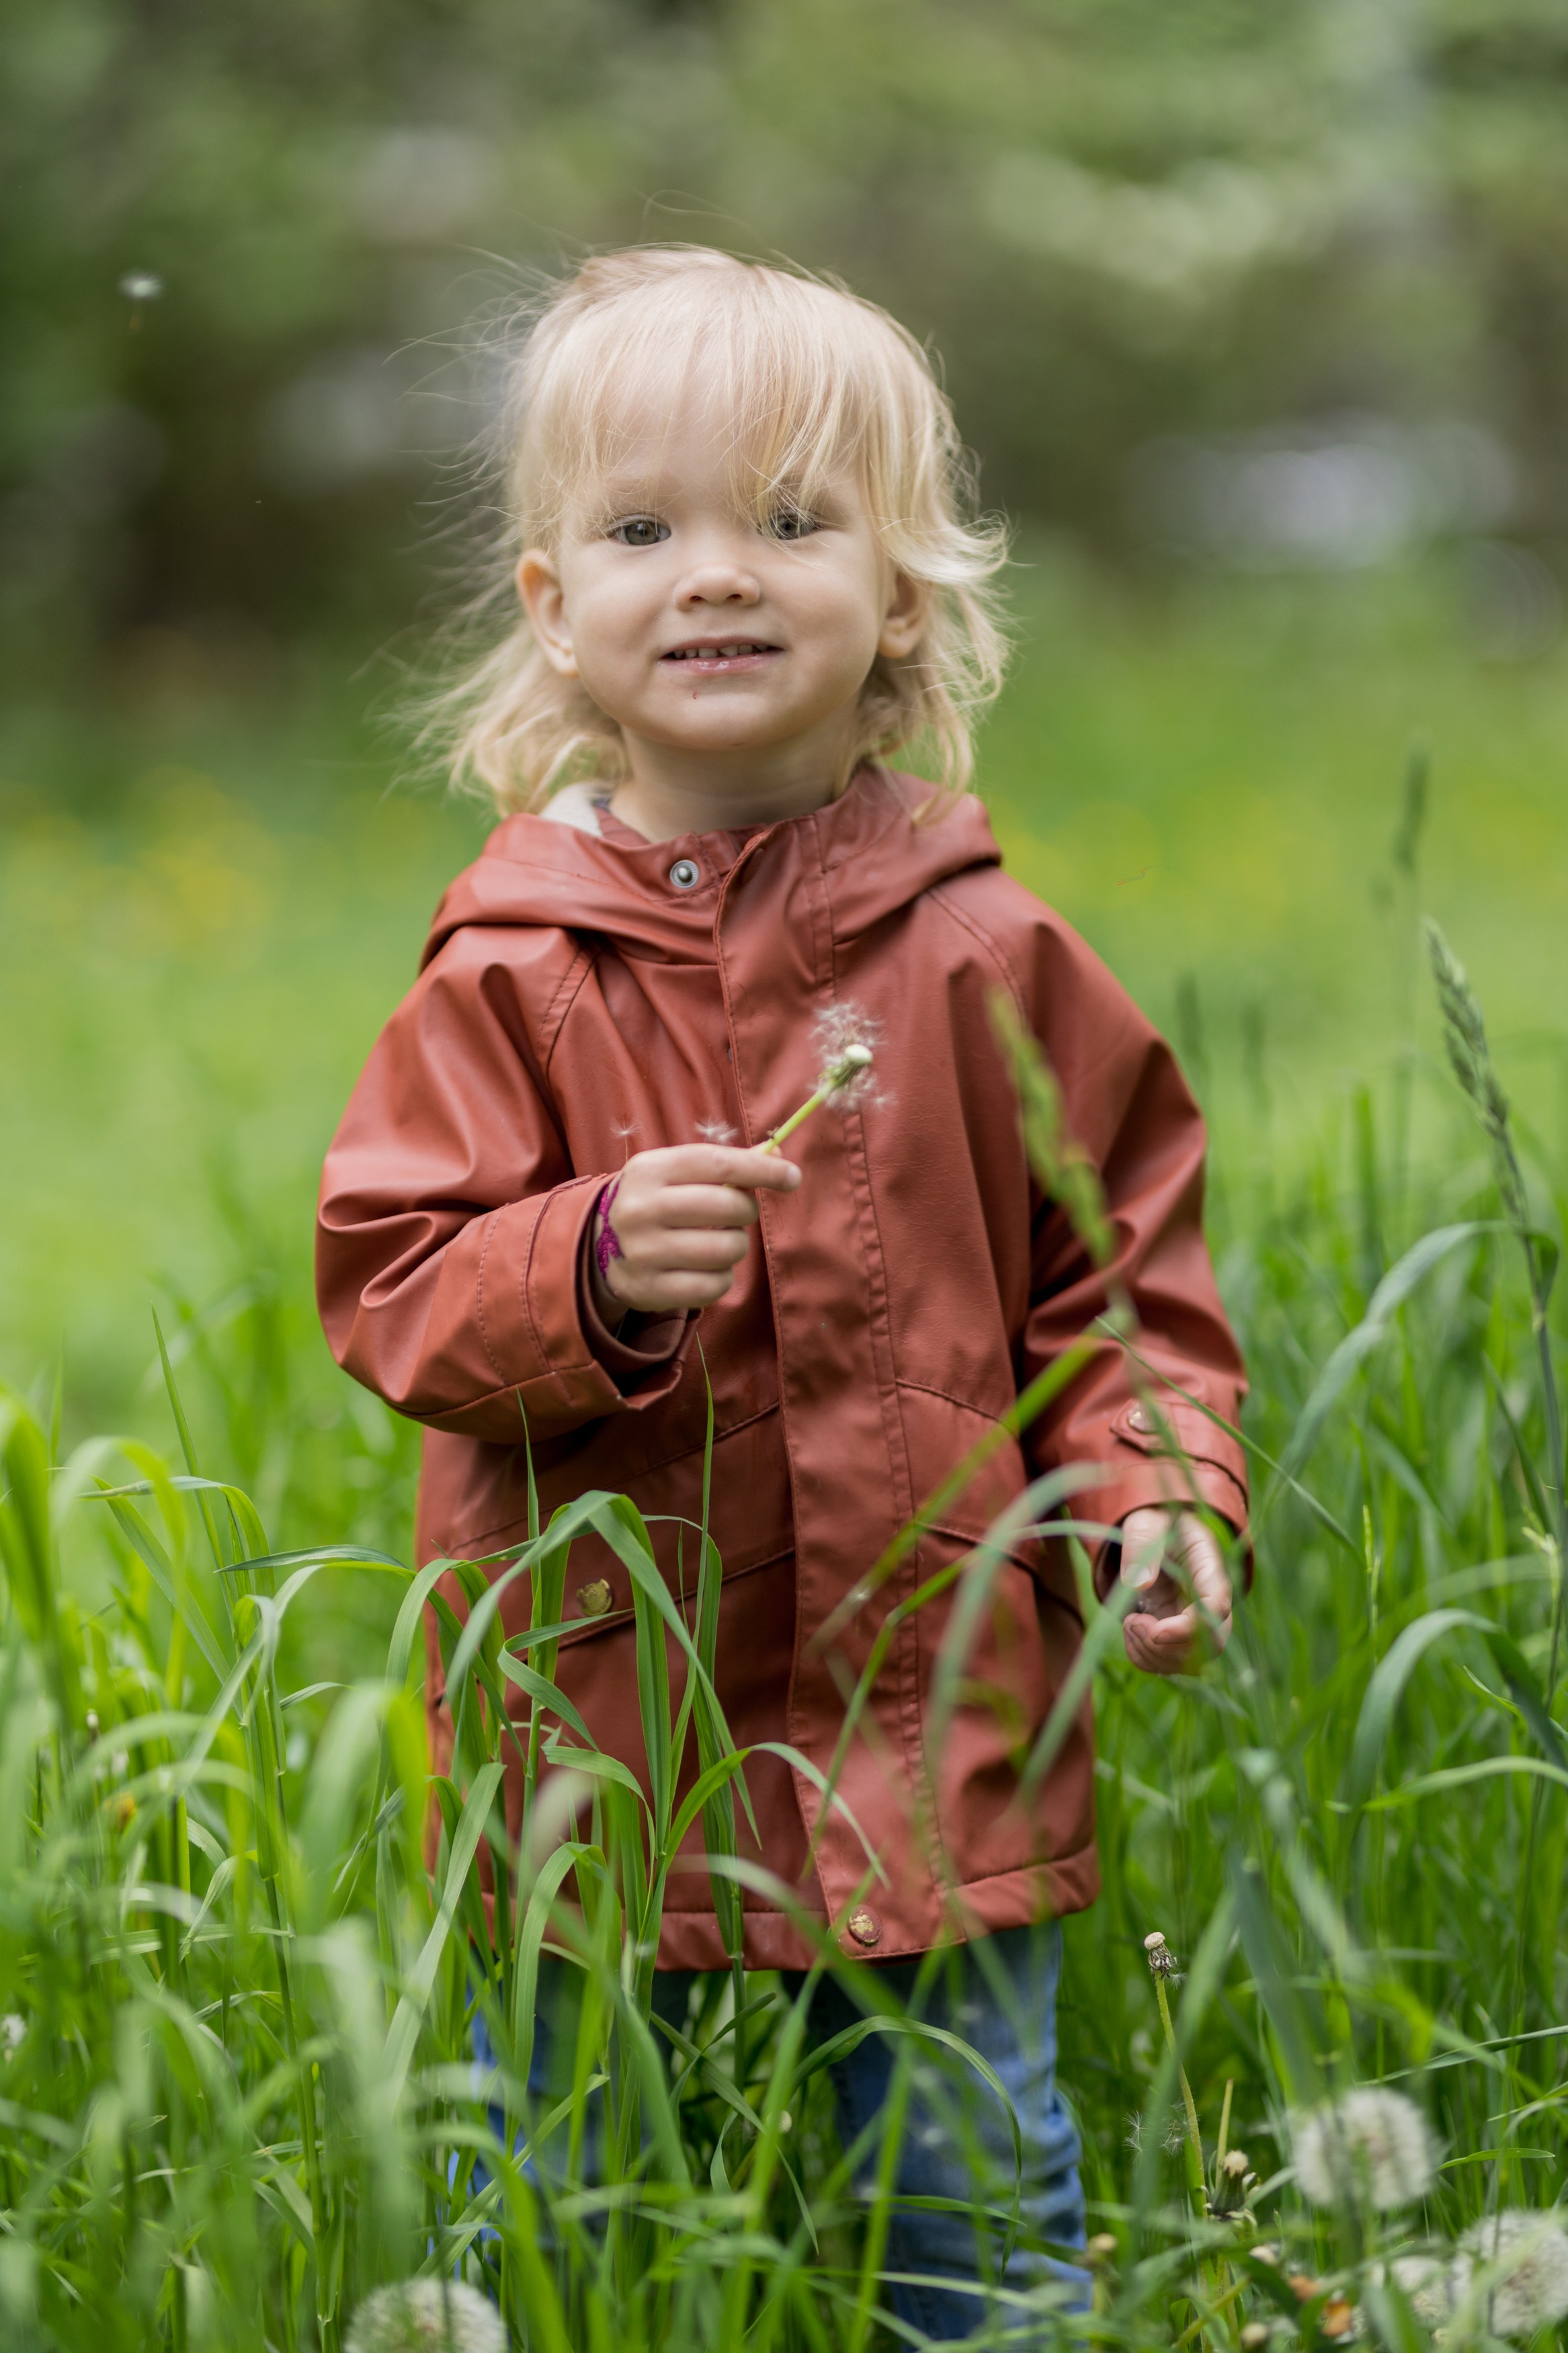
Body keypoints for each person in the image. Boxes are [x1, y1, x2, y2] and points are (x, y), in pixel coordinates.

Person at [316, 246, 1248, 2339]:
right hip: (599, 1748)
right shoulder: (511, 973)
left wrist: (1155, 1485)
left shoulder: (985, 955)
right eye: (646, 529)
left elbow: (1116, 1280)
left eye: (791, 520)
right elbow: (390, 1283)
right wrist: (579, 1262)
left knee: (979, 2230)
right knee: (565, 2229)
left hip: (940, 1731)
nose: (716, 575)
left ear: (901, 597)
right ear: (557, 607)